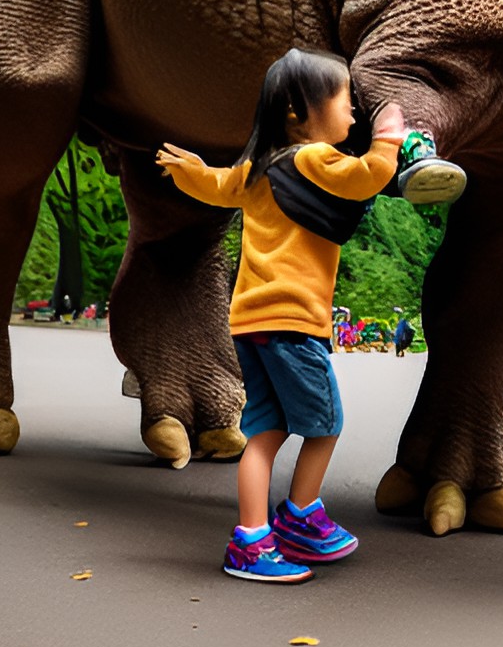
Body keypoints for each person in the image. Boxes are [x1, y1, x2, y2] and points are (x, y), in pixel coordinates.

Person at [156, 48, 405, 583]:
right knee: (326, 423)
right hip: (292, 322)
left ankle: (251, 538)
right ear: (299, 110)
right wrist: (389, 137)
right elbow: (368, 178)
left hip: (249, 322)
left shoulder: (256, 169)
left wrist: (190, 172)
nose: (355, 113)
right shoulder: (313, 158)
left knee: (265, 432)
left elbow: (216, 186)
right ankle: (299, 517)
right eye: (346, 100)